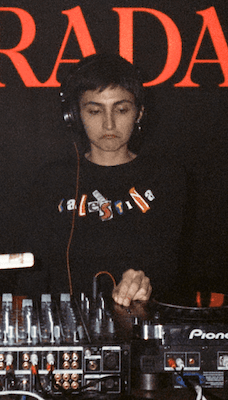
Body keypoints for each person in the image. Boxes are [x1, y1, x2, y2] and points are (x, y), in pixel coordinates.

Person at [19, 54, 188, 306]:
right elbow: (31, 275)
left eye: (121, 109)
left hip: (142, 319)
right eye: (95, 111)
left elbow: (170, 269)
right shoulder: (51, 180)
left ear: (139, 113)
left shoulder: (166, 178)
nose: (109, 124)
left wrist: (144, 282)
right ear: (75, 116)